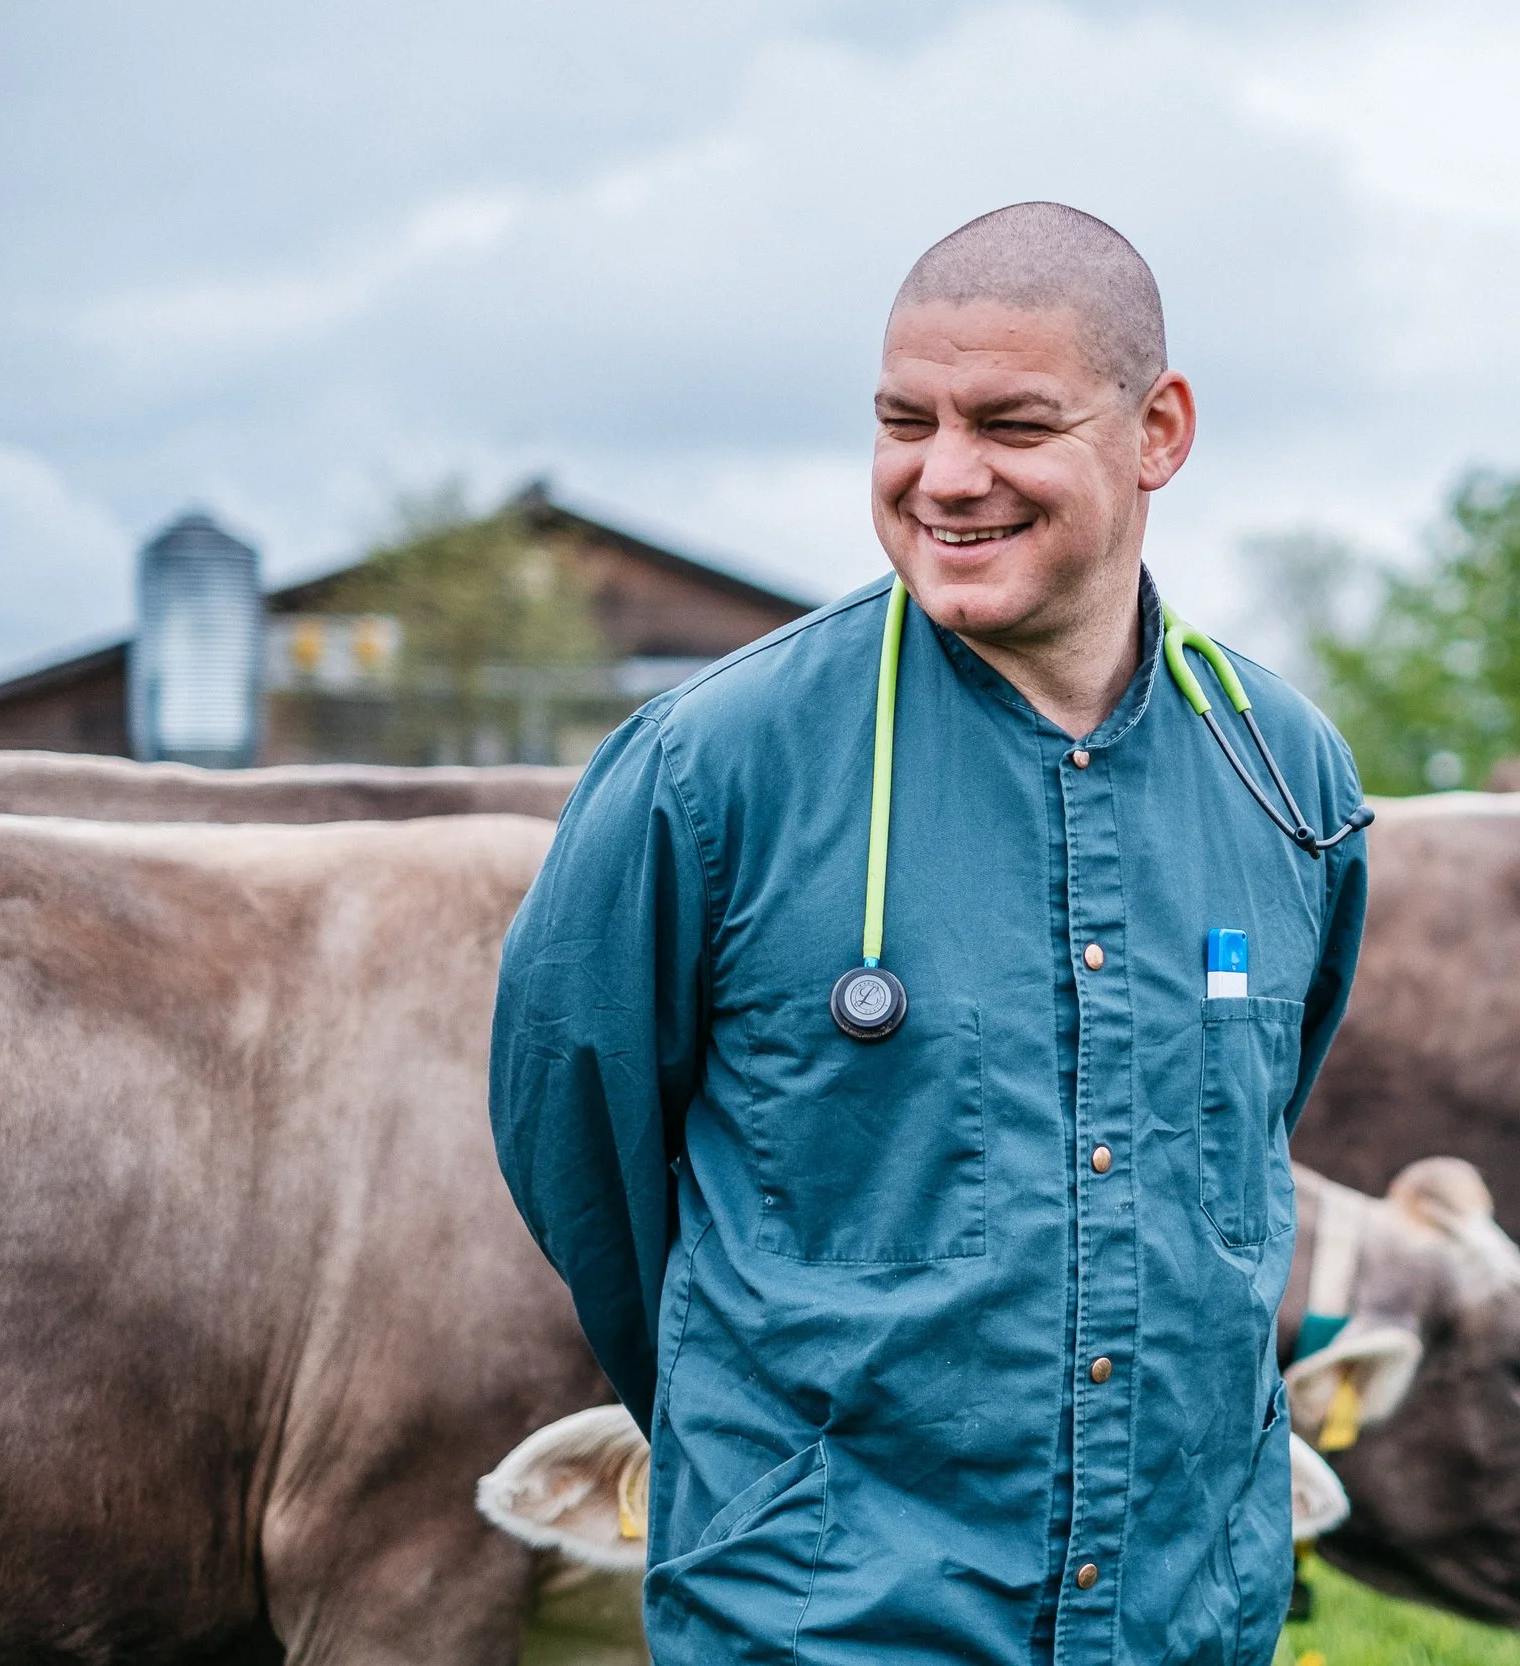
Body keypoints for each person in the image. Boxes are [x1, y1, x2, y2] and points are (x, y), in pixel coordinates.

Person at [489, 202, 1370, 1665]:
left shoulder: (1284, 774)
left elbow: (1266, 1119)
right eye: (906, 421)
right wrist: (769, 1449)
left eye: (1010, 424)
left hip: (1182, 1620)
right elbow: (574, 1142)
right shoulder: (715, 768)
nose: (944, 478)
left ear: (1158, 431)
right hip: (828, 1621)